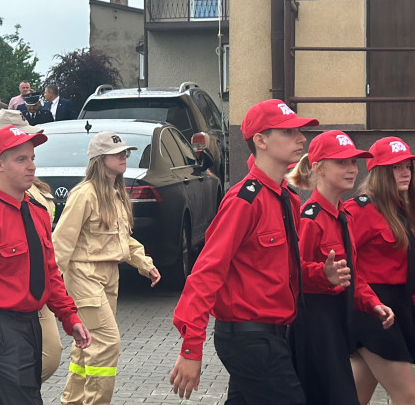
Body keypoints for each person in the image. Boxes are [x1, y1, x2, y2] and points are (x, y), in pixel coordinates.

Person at [169, 99, 347, 403]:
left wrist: (322, 276)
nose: (302, 139)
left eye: (300, 132)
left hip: (273, 337)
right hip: (250, 340)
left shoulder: (286, 200)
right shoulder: (244, 200)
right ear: (261, 140)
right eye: (289, 132)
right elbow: (206, 273)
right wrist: (190, 348)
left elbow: (280, 272)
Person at [0, 125, 92, 404]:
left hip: (30, 324)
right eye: (21, 159)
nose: (31, 167)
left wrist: (68, 317)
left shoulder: (37, 214)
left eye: (32, 158)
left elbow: (50, 273)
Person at [285, 130, 394, 405]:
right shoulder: (310, 218)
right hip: (312, 326)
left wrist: (372, 303)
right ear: (319, 168)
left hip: (336, 323)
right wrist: (323, 275)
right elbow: (292, 273)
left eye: (354, 163)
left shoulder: (343, 215)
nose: (351, 170)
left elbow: (352, 275)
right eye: (342, 162)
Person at [53, 131, 161, 405]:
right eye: (118, 154)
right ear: (100, 159)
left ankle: (73, 401)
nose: (124, 157)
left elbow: (122, 238)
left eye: (125, 153)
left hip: (108, 276)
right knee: (107, 344)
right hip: (84, 275)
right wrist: (49, 287)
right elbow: (62, 241)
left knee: (87, 346)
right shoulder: (84, 195)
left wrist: (144, 264)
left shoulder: (116, 194)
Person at [347, 137, 415, 404]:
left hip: (397, 306)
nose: (406, 172)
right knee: (408, 394)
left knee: (356, 394)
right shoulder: (361, 210)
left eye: (408, 165)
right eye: (397, 167)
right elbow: (342, 258)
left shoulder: (404, 208)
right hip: (372, 311)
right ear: (380, 172)